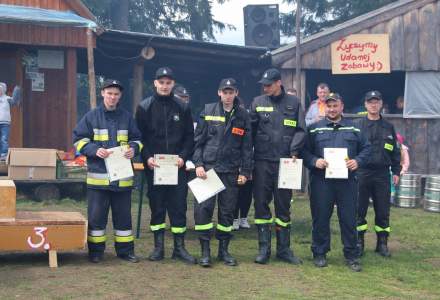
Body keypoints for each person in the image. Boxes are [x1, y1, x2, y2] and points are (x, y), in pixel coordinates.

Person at [73, 79, 143, 263]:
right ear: (103, 93)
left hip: (122, 180)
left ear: (120, 96)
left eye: (116, 94)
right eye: (109, 93)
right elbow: (79, 141)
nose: (112, 97)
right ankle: (96, 252)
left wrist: (133, 149)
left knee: (124, 220)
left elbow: (138, 139)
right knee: (96, 220)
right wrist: (94, 150)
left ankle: (125, 251)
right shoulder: (91, 116)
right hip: (98, 181)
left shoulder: (127, 117)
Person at [302, 92, 370, 272]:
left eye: (335, 105)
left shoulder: (354, 129)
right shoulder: (314, 128)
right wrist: (314, 161)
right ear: (325, 107)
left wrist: (358, 161)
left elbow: (367, 149)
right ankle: (320, 253)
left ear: (342, 107)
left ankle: (351, 255)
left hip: (347, 181)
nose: (332, 109)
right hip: (321, 181)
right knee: (321, 217)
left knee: (348, 218)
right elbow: (304, 151)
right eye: (329, 106)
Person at [135, 67, 196, 264]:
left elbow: (189, 137)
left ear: (173, 84)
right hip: (155, 168)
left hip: (177, 167)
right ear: (155, 83)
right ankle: (158, 248)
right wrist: (147, 158)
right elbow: (139, 138)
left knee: (178, 207)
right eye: (161, 82)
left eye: (168, 83)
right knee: (157, 207)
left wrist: (183, 157)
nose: (164, 86)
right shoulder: (144, 107)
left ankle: (179, 248)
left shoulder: (183, 107)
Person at [193, 78, 252, 267]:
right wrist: (198, 164)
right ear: (219, 93)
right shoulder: (208, 110)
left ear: (236, 93)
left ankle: (223, 252)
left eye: (231, 92)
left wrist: (245, 171)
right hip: (208, 169)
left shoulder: (243, 115)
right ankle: (205, 252)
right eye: (224, 92)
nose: (228, 95)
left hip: (231, 171)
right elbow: (198, 141)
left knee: (227, 212)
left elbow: (247, 146)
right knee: (204, 211)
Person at [250, 68, 306, 265]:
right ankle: (264, 249)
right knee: (261, 205)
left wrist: (294, 149)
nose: (265, 88)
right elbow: (250, 131)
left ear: (278, 83)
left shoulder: (294, 103)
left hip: (285, 162)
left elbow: (301, 130)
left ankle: (284, 249)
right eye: (263, 85)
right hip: (262, 162)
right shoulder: (257, 103)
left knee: (283, 206)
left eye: (269, 84)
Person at [355, 91, 401, 258]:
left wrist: (396, 171)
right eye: (370, 102)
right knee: (358, 210)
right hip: (362, 173)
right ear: (365, 105)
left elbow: (396, 151)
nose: (373, 105)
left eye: (376, 102)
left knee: (383, 210)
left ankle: (382, 243)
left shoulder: (389, 127)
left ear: (381, 104)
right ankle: (358, 242)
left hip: (382, 174)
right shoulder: (358, 125)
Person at [0, 82, 21, 160]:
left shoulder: (7, 98)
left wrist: (16, 91)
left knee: (4, 139)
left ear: (4, 90)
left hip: (5, 122)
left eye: (0, 89)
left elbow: (14, 102)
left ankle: (4, 154)